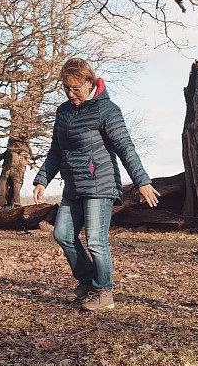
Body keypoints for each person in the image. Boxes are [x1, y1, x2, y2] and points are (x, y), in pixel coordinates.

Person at [33, 58, 160, 312]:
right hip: (73, 185)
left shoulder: (107, 110)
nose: (71, 93)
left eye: (76, 88)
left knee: (96, 240)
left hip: (100, 183)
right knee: (62, 234)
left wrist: (142, 181)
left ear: (90, 82)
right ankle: (89, 282)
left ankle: (104, 292)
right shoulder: (63, 111)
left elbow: (125, 146)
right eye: (66, 88)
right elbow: (55, 150)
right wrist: (42, 179)